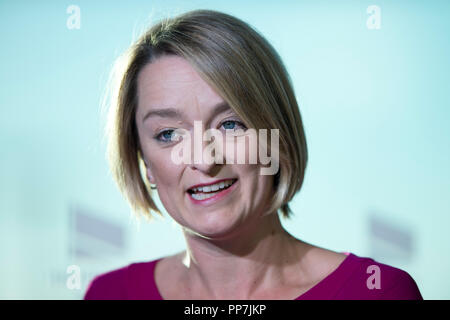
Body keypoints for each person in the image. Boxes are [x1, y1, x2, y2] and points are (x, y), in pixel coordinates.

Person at [84, 9, 422, 300]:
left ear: (275, 137)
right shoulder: (109, 294)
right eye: (168, 134)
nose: (204, 159)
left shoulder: (376, 292)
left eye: (231, 125)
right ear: (144, 161)